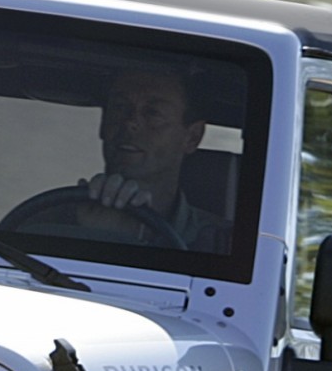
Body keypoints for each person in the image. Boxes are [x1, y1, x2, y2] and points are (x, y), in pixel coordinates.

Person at [50, 66, 231, 253]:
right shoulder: (45, 223)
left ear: (192, 137)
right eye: (119, 107)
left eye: (153, 113)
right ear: (103, 124)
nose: (130, 122)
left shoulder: (223, 245)